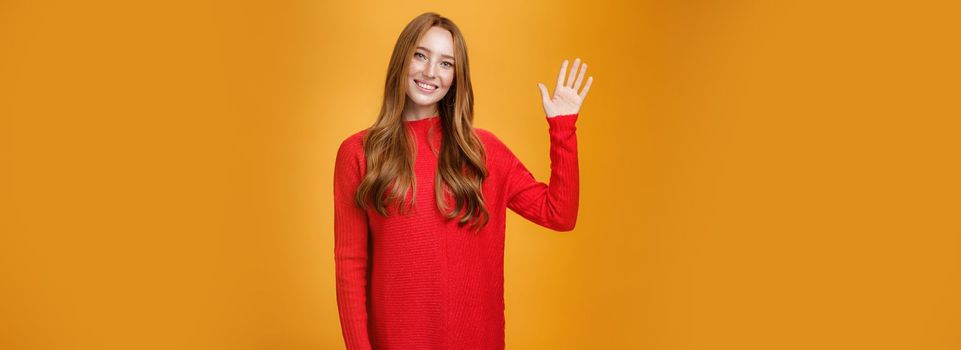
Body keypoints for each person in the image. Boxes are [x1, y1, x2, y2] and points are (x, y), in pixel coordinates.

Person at [333, 11, 593, 350]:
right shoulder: (359, 153)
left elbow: (559, 214)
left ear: (457, 77)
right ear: (402, 59)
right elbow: (350, 266)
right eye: (421, 55)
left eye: (446, 64)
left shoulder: (484, 151)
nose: (430, 72)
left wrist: (562, 126)